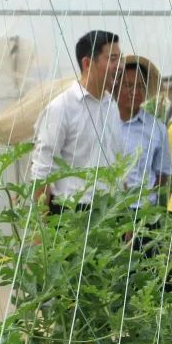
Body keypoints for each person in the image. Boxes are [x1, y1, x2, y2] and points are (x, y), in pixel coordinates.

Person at [31, 31, 124, 213]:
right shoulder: (61, 108)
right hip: (71, 212)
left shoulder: (111, 106)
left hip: (109, 211)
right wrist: (38, 232)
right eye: (112, 59)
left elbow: (118, 164)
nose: (119, 66)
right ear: (87, 63)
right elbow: (42, 171)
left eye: (120, 59)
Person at [117, 55, 172, 209]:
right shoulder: (103, 123)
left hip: (143, 213)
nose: (135, 92)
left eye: (140, 86)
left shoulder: (157, 128)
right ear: (116, 87)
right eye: (128, 85)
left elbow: (162, 174)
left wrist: (145, 195)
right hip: (107, 213)